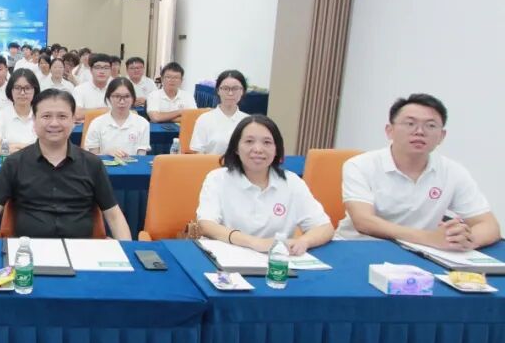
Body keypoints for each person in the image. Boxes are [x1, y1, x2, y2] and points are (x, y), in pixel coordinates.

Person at [336, 94, 500, 249]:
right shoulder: (361, 165)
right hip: (359, 246)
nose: (420, 131)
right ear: (389, 130)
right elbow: (364, 222)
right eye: (410, 124)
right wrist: (429, 238)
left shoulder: (453, 171)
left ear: (441, 136)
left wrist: (463, 240)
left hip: (421, 251)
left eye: (430, 125)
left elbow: (489, 225)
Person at [0, 89, 132, 239]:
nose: (54, 123)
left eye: (62, 116)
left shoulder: (92, 164)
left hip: (81, 250)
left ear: (73, 121)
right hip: (28, 251)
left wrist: (126, 250)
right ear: (34, 121)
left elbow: (114, 216)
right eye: (46, 116)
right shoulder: (14, 163)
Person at [197, 115, 334, 254]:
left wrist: (304, 241)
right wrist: (255, 243)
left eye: (267, 142)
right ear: (236, 148)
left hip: (276, 261)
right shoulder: (217, 179)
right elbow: (206, 224)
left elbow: (324, 227)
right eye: (249, 141)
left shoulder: (292, 182)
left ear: (276, 150)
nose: (258, 149)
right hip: (227, 258)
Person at [83, 78, 151, 158]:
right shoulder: (96, 123)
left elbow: (141, 158)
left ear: (133, 99)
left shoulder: (142, 123)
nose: (122, 101)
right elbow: (92, 157)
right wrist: (107, 152)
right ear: (109, 98)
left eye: (127, 96)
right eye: (117, 96)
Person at [190, 70, 250, 155]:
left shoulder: (249, 121)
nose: (230, 93)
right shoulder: (204, 119)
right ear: (218, 90)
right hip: (211, 163)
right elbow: (198, 152)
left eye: (235, 88)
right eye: (225, 88)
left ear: (242, 91)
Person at [0, 69, 39, 156]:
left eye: (27, 88)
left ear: (35, 90)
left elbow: (49, 149)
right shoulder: (0, 116)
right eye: (17, 88)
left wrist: (11, 147)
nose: (22, 93)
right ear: (11, 90)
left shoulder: (42, 116)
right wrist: (27, 149)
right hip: (9, 163)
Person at [71, 53, 113, 119]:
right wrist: (104, 111)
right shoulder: (80, 90)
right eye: (98, 67)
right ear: (91, 70)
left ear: (110, 71)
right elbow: (77, 114)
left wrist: (89, 112)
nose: (102, 71)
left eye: (106, 68)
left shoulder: (116, 90)